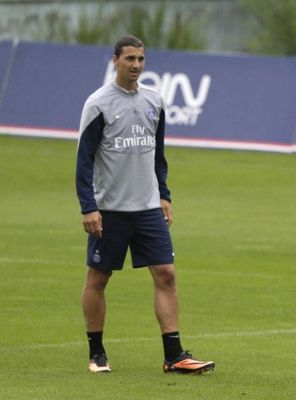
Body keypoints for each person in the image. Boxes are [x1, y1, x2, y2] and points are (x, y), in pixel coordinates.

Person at [75, 34, 214, 375]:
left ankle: (174, 355)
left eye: (140, 59)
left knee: (166, 274)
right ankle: (97, 353)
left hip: (149, 208)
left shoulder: (154, 100)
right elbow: (84, 159)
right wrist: (88, 206)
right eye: (129, 59)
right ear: (115, 61)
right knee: (99, 278)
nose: (136, 65)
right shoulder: (98, 103)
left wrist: (164, 194)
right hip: (109, 209)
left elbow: (159, 155)